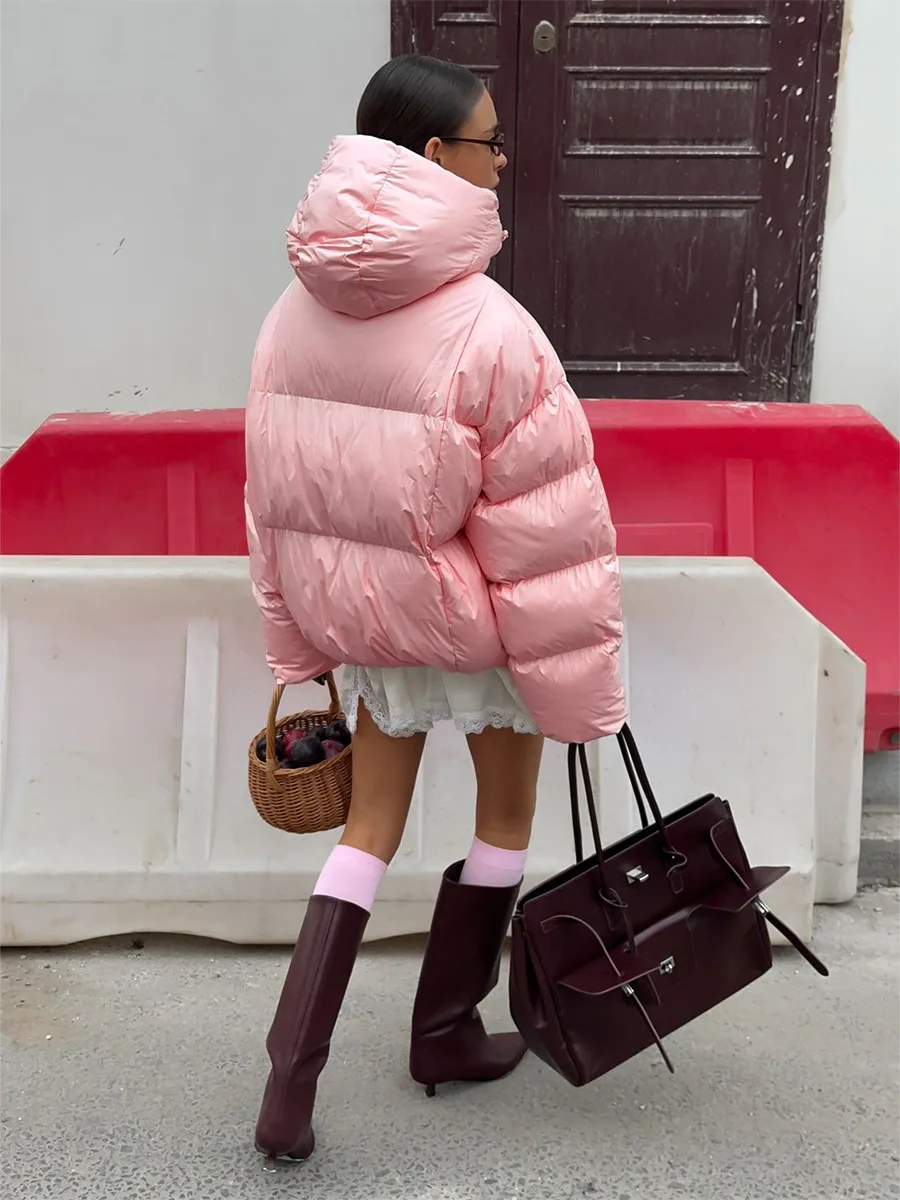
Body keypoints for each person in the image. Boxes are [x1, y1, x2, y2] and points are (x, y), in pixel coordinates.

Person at [245, 53, 626, 1163]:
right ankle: (445, 1032)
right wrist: (579, 689)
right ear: (431, 155)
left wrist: (298, 640)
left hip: (370, 627)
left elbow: (272, 500)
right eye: (488, 144)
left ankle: (287, 1087)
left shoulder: (290, 312)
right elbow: (545, 532)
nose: (502, 163)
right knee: (503, 814)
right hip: (477, 624)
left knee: (367, 829)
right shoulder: (491, 326)